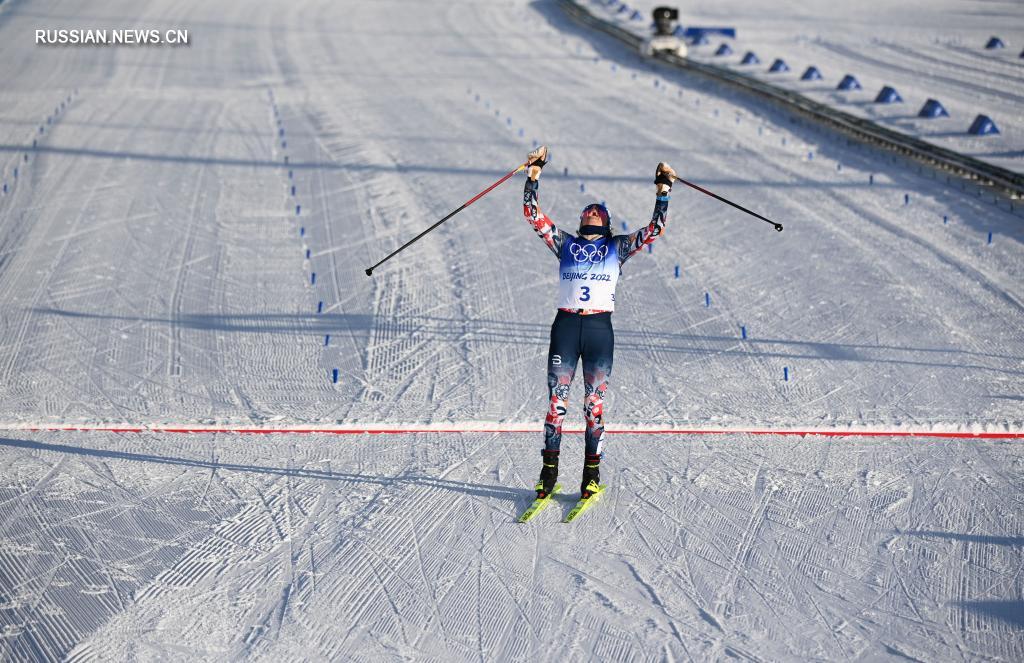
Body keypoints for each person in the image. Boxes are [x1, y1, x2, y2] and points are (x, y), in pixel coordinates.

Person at [522, 145, 675, 500]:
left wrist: (663, 191)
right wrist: (533, 174)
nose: (591, 214)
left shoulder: (617, 248)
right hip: (566, 329)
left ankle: (591, 475)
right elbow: (532, 215)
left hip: (597, 332)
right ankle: (548, 474)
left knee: (593, 407)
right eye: (588, 213)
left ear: (604, 224)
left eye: (596, 213)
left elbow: (654, 230)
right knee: (556, 404)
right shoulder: (566, 244)